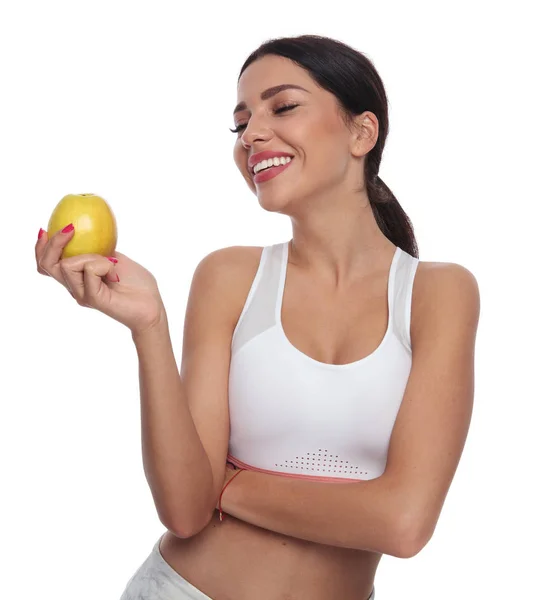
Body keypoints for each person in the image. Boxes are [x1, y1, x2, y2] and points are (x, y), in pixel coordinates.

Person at [35, 34, 480, 600]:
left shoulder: (440, 293)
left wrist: (230, 486)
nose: (252, 134)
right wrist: (148, 326)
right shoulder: (228, 278)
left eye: (283, 106)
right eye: (240, 123)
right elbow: (184, 509)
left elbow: (403, 523)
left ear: (361, 132)